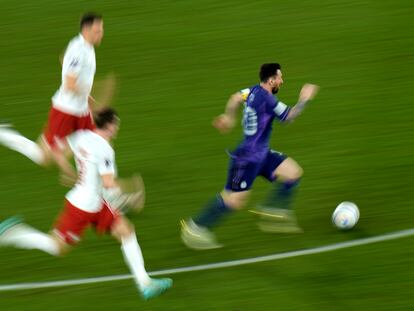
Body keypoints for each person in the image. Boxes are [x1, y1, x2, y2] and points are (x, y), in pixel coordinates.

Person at [0, 108, 172, 300]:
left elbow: (57, 152)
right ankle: (15, 233)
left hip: (94, 202)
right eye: (116, 125)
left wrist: (70, 172)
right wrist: (130, 188)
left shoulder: (81, 135)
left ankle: (145, 284)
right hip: (81, 208)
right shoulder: (106, 149)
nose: (117, 129)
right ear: (109, 126)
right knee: (58, 248)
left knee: (126, 230)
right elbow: (108, 183)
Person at [181, 63, 319, 250]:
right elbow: (289, 117)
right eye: (279, 78)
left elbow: (235, 98)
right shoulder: (268, 100)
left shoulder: (252, 91)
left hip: (261, 154)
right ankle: (196, 227)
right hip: (246, 159)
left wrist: (228, 117)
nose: (282, 81)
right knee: (234, 201)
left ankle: (273, 211)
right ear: (271, 80)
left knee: (293, 173)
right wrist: (305, 98)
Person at [0, 12, 105, 180]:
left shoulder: (86, 47)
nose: (101, 33)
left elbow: (64, 59)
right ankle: (4, 134)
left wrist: (87, 97)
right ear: (86, 30)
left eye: (101, 29)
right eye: (98, 30)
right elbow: (70, 85)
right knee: (44, 157)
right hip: (66, 110)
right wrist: (86, 92)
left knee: (94, 144)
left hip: (81, 109)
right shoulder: (78, 49)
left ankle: (98, 186)